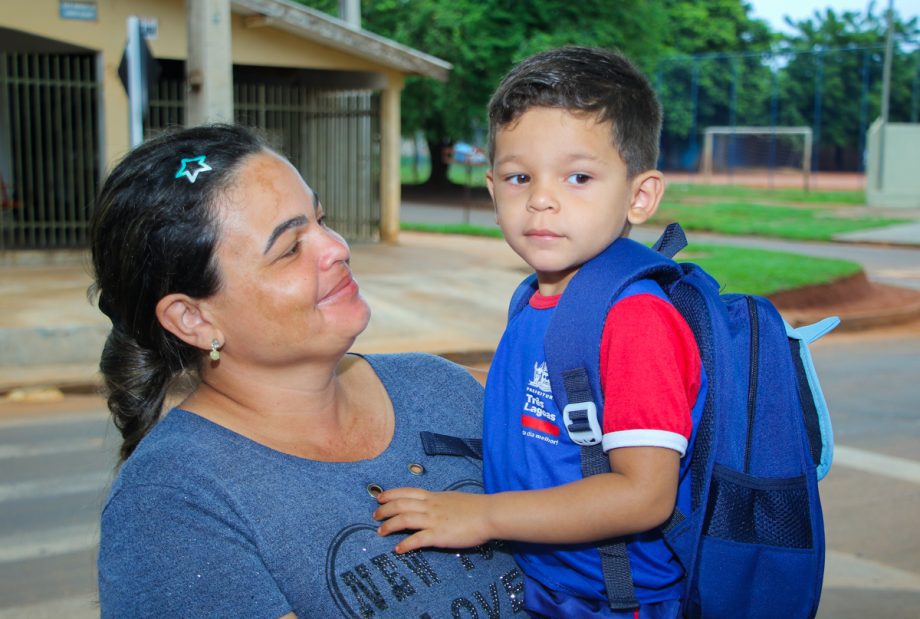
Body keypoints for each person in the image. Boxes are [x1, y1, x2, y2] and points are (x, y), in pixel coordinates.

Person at [91, 124, 527, 618]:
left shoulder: (437, 386)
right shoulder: (171, 504)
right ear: (193, 318)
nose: (336, 248)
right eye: (290, 249)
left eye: (321, 219)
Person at [374, 47, 706, 618]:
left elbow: (644, 495)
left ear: (640, 195)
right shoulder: (535, 298)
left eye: (579, 176)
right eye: (519, 176)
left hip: (618, 603)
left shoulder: (633, 318)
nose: (541, 198)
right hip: (548, 586)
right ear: (491, 187)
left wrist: (482, 518)